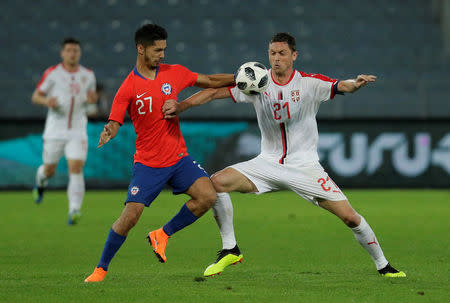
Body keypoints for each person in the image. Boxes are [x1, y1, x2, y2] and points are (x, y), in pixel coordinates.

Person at [163, 32, 406, 278]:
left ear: (294, 55)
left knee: (350, 218)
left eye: (281, 53)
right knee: (215, 184)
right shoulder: (258, 81)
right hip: (266, 163)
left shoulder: (309, 83)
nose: (276, 58)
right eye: (272, 53)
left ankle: (383, 265)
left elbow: (341, 86)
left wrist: (355, 84)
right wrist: (181, 106)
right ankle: (230, 248)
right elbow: (214, 93)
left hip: (305, 167)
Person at [84, 23, 235, 283]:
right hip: (148, 164)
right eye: (157, 50)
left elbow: (209, 81)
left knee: (208, 196)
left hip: (178, 158)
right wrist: (109, 129)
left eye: (164, 49)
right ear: (140, 49)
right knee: (130, 216)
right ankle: (101, 269)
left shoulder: (174, 73)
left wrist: (241, 77)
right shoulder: (129, 87)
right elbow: (115, 119)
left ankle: (162, 235)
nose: (162, 55)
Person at [32, 37, 98, 225]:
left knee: (76, 167)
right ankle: (40, 182)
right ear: (62, 53)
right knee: (49, 170)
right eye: (68, 50)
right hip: (55, 130)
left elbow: (90, 104)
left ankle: (74, 210)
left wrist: (92, 101)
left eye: (75, 50)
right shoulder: (52, 74)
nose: (72, 53)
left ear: (80, 53)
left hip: (77, 129)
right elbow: (36, 96)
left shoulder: (88, 75)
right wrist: (46, 101)